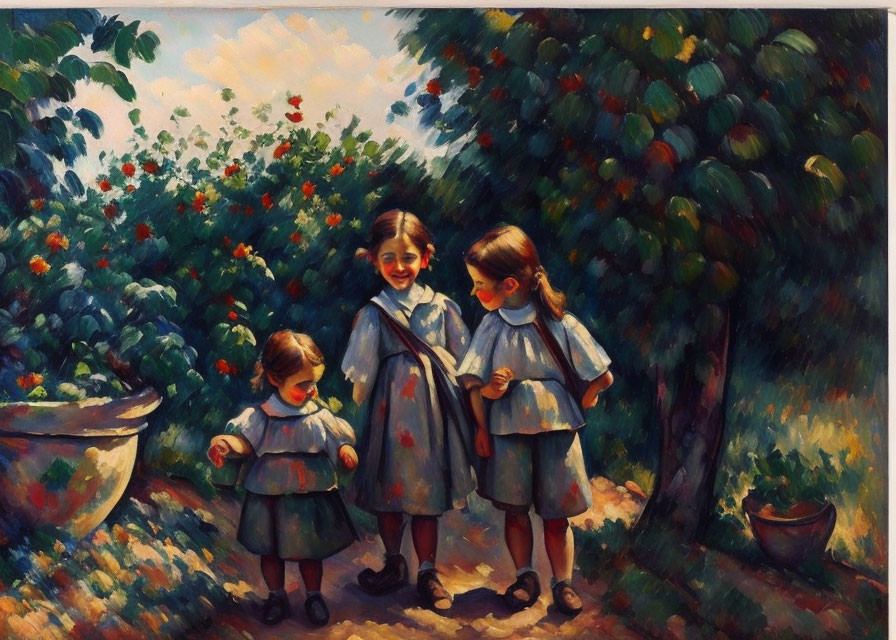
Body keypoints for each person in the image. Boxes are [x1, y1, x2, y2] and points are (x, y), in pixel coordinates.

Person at [458, 224, 614, 616]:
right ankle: (525, 576)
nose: (475, 293)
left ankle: (563, 583)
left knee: (556, 514)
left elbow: (602, 375)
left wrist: (586, 399)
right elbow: (474, 384)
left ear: (509, 284)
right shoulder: (492, 326)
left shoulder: (559, 321)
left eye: (480, 285)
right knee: (514, 509)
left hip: (556, 430)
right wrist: (489, 401)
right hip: (507, 429)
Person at [341, 209, 475, 611]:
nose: (399, 267)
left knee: (425, 492)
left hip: (433, 415)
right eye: (389, 259)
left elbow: (465, 359)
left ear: (426, 256)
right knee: (389, 490)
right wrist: (361, 398)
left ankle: (428, 571)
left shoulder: (442, 306)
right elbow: (361, 371)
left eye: (408, 258)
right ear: (374, 260)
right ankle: (394, 562)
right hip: (391, 413)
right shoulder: (374, 312)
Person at [208, 330, 359, 627]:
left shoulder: (318, 415)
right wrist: (226, 444)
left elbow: (335, 439)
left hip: (310, 495)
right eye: (303, 385)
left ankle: (314, 596)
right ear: (276, 380)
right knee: (271, 550)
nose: (312, 390)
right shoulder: (261, 416)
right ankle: (276, 596)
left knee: (310, 552)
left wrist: (344, 451)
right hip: (270, 496)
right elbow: (245, 442)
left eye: (314, 383)